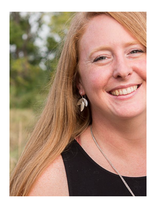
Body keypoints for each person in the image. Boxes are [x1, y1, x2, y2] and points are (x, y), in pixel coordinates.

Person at [10, 12, 146, 196]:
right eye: (101, 58)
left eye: (135, 51)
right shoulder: (49, 185)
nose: (122, 70)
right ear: (79, 82)